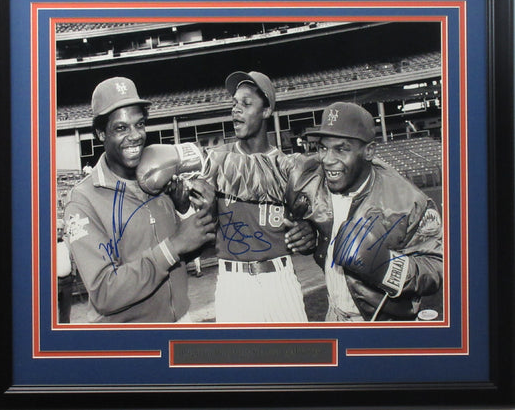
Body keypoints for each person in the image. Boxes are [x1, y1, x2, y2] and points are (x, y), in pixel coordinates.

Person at [138, 102, 443, 321]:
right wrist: (191, 156)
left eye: (342, 149)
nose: (328, 159)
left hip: (384, 323)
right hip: (334, 315)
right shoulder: (310, 174)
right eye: (323, 147)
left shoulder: (408, 200)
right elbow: (254, 172)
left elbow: (437, 267)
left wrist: (386, 267)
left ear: (370, 151)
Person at [139, 71, 316, 323]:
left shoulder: (287, 168)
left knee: (292, 361)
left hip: (280, 279)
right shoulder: (213, 161)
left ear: (266, 111)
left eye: (246, 104)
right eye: (234, 103)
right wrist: (185, 206)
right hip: (234, 284)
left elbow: (311, 230)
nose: (236, 110)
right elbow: (203, 235)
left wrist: (309, 232)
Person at [63, 77, 215, 323]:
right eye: (121, 128)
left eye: (140, 124)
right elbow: (104, 293)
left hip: (181, 320)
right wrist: (173, 246)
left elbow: (188, 251)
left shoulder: (158, 175)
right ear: (100, 132)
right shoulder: (82, 200)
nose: (135, 136)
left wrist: (185, 211)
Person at [56, 218, 74, 323]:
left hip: (67, 282)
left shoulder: (67, 243)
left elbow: (73, 259)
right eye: (57, 229)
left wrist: (73, 275)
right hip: (54, 283)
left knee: (65, 312)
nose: (59, 231)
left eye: (61, 229)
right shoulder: (47, 244)